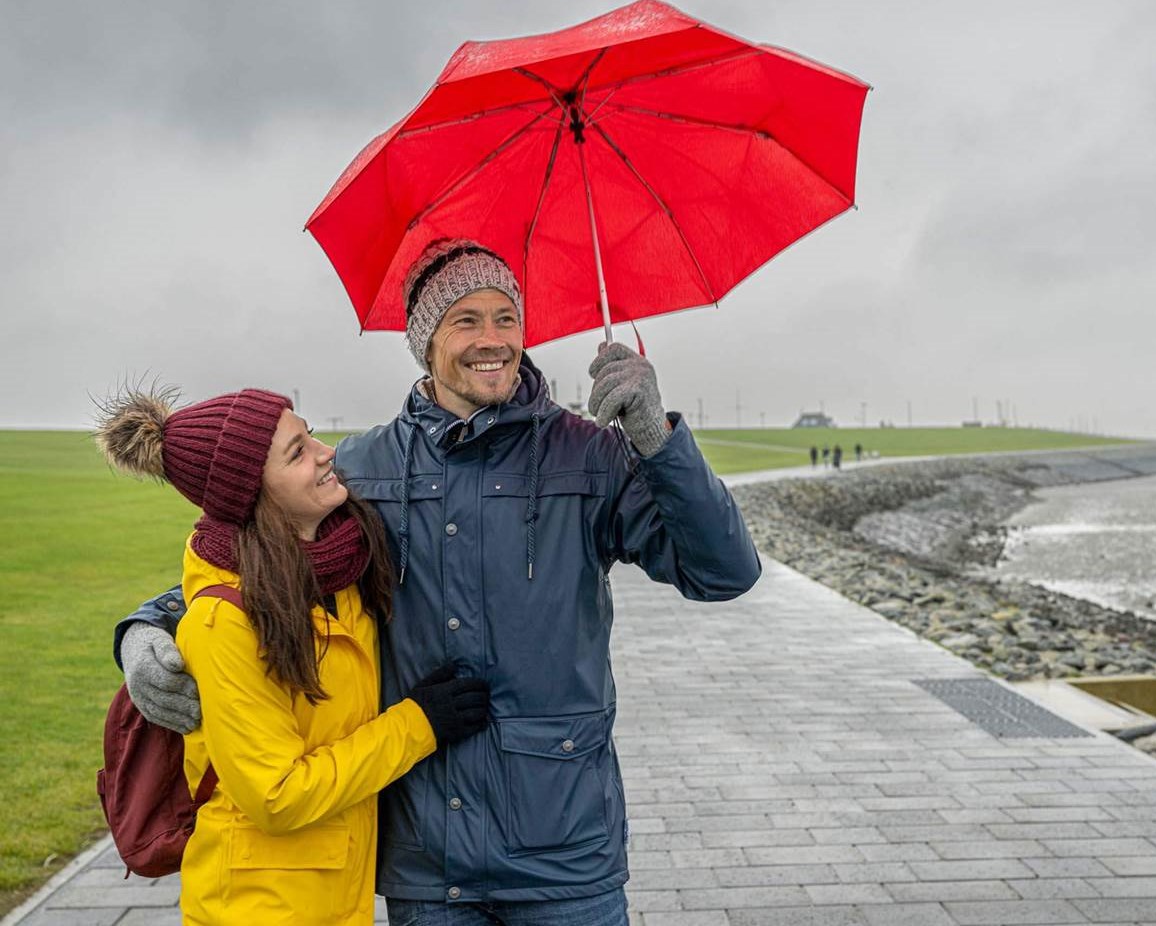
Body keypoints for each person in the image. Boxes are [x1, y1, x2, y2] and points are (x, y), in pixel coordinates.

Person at [114, 240, 761, 925]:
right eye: (466, 320)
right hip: (428, 857)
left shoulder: (591, 455)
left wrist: (657, 441)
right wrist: (150, 624)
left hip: (566, 854)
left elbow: (723, 571)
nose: (492, 340)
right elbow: (257, 564)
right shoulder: (362, 468)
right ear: (425, 343)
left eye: (506, 318)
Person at [95, 386, 490, 925]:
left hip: (332, 897)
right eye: (297, 452)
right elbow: (277, 796)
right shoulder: (224, 623)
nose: (327, 453)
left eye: (311, 436)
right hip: (256, 905)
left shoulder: (341, 565)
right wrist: (418, 724)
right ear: (251, 493)